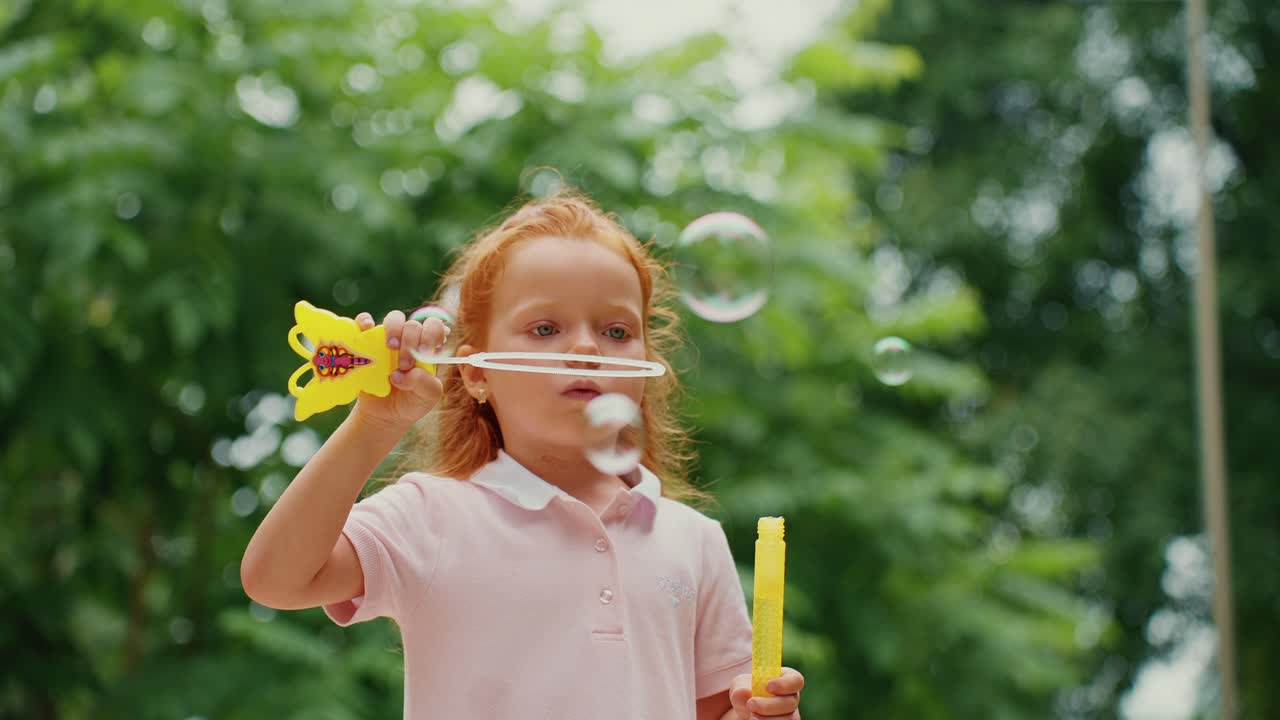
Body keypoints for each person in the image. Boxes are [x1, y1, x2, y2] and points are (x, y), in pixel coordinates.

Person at [241, 190, 805, 719]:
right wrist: (371, 425)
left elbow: (715, 710)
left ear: (645, 365)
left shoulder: (693, 540)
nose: (585, 348)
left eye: (615, 330)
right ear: (477, 372)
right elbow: (276, 580)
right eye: (544, 327)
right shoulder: (430, 516)